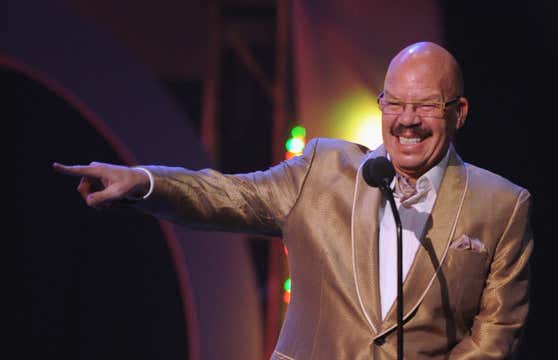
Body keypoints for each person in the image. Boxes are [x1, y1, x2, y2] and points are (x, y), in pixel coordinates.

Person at [54, 42, 533, 359]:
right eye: (395, 103)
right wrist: (144, 182)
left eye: (427, 105)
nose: (407, 120)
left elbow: (495, 335)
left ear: (459, 112)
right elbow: (228, 194)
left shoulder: (501, 205)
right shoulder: (324, 170)